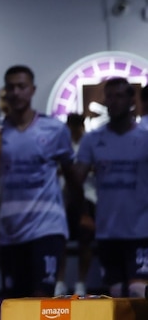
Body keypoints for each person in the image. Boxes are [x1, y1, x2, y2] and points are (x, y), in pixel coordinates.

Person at [0, 65, 76, 298]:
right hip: (10, 230)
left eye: (22, 86)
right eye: (11, 87)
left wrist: (80, 213)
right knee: (15, 303)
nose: (16, 92)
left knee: (43, 300)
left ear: (32, 90)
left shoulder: (54, 129)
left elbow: (72, 177)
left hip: (47, 227)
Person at [72, 78, 148, 298]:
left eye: (119, 96)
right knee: (115, 294)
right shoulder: (93, 140)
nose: (112, 102)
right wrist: (84, 214)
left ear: (131, 100)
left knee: (138, 291)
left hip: (141, 230)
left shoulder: (144, 138)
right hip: (107, 230)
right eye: (109, 96)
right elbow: (77, 180)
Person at [56, 113, 94, 296]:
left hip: (89, 199)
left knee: (84, 241)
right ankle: (60, 281)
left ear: (82, 126)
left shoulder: (90, 144)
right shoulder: (62, 145)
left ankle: (81, 282)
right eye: (70, 126)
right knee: (60, 241)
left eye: (76, 126)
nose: (73, 130)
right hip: (64, 200)